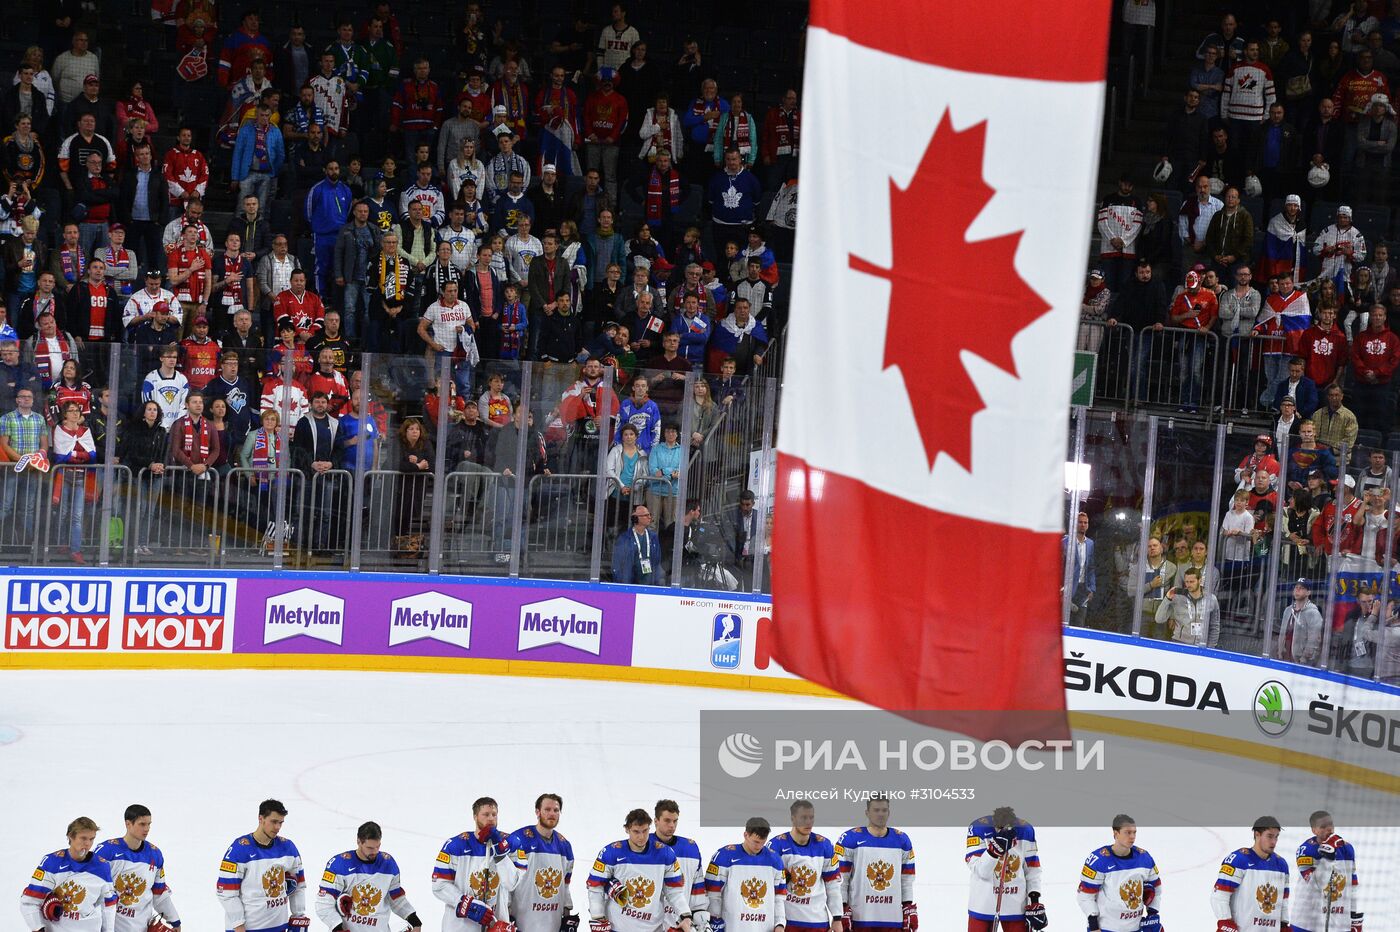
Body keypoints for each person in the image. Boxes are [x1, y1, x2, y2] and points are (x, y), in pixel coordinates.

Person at [586, 808, 692, 932]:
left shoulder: (665, 853)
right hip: (618, 928)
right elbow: (595, 886)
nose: (641, 837)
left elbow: (674, 891)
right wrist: (598, 917)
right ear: (627, 829)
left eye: (645, 831)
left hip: (653, 929)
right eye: (636, 831)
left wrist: (685, 915)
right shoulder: (611, 852)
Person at [216, 800, 309, 932]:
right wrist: (238, 925)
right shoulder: (239, 849)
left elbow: (299, 886)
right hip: (247, 929)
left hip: (279, 927)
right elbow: (226, 892)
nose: (277, 827)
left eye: (281, 823)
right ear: (261, 819)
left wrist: (298, 917)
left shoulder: (288, 848)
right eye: (274, 821)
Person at [315, 821, 422, 932]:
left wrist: (413, 919)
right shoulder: (339, 864)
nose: (375, 851)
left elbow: (395, 898)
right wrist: (338, 928)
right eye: (370, 848)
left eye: (377, 847)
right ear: (359, 842)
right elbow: (324, 903)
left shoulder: (388, 864)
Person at [91, 804, 181, 932]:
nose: (147, 829)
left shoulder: (154, 855)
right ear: (128, 824)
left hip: (141, 927)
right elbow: (91, 889)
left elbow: (159, 892)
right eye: (142, 824)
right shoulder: (107, 851)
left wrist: (174, 920)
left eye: (149, 824)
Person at [20, 816, 116, 932]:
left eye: (91, 839)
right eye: (83, 838)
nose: (88, 844)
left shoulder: (102, 867)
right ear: (71, 836)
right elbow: (30, 902)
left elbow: (108, 906)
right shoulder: (51, 863)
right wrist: (38, 928)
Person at [431, 796, 511, 932]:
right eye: (485, 814)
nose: (491, 818)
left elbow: (513, 884)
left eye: (494, 814)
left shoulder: (507, 845)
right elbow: (439, 885)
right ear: (475, 816)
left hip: (495, 926)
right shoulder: (456, 845)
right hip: (460, 927)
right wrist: (465, 904)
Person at [838, 798, 917, 932]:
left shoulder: (902, 840)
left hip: (893, 920)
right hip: (860, 919)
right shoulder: (849, 839)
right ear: (867, 812)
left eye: (884, 810)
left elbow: (907, 880)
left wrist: (908, 906)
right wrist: (842, 908)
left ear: (889, 812)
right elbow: (841, 879)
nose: (880, 814)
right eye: (876, 810)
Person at [1075, 814, 1161, 932]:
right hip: (1106, 929)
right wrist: (1094, 926)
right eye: (1127, 832)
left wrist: (1152, 915)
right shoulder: (1099, 860)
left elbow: (1156, 888)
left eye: (1134, 832)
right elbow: (1085, 896)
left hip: (1136, 928)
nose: (1132, 837)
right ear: (1116, 833)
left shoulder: (1144, 858)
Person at [505, 794, 576, 932]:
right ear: (537, 812)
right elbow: (506, 881)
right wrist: (506, 912)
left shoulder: (564, 845)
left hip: (552, 922)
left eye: (556, 810)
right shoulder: (517, 840)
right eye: (547, 809)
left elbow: (565, 885)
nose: (552, 814)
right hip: (523, 922)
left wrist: (567, 911)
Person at [768, 801, 841, 932]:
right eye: (803, 818)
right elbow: (768, 886)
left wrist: (837, 919)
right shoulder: (776, 845)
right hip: (787, 922)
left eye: (811, 817)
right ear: (793, 818)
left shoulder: (824, 845)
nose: (808, 822)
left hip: (817, 923)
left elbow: (833, 884)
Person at [704, 818, 786, 932]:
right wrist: (714, 920)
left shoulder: (775, 860)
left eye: (763, 842)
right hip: (732, 927)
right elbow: (713, 895)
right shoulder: (724, 857)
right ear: (745, 835)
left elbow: (779, 898)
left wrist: (780, 924)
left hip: (764, 928)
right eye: (756, 842)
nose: (759, 846)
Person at [1211, 816, 1291, 931]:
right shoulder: (1239, 860)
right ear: (1257, 834)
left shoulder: (1281, 865)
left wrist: (1283, 925)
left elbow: (1283, 900)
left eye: (1276, 837)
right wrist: (1225, 921)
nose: (1274, 841)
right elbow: (1219, 895)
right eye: (1269, 836)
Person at [1291, 811, 1361, 932]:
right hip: (1306, 921)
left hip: (1337, 922)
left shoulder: (1346, 848)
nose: (1329, 829)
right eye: (1323, 827)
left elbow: (1352, 884)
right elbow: (1315, 883)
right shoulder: (1305, 850)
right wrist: (1327, 857)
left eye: (1330, 825)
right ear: (1314, 830)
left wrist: (1354, 916)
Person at [50, 400, 93, 562]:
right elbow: (60, 456)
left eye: (77, 411)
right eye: (72, 411)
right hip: (64, 476)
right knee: (63, 512)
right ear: (65, 414)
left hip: (81, 477)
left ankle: (75, 550)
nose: (75, 413)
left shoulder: (85, 431)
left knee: (77, 516)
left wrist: (73, 455)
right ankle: (60, 544)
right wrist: (79, 455)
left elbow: (92, 454)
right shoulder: (59, 430)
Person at [306, 160, 352, 294]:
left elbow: (348, 211)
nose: (334, 171)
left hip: (340, 235)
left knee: (339, 268)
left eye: (336, 168)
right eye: (331, 168)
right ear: (326, 170)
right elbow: (309, 212)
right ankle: (321, 298)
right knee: (321, 267)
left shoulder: (345, 190)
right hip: (322, 235)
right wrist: (318, 226)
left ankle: (337, 301)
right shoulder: (317, 189)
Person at [393, 417, 433, 556]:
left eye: (417, 429)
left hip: (417, 487)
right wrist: (417, 466)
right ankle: (397, 547)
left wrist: (416, 465)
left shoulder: (425, 444)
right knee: (398, 515)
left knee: (410, 515)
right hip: (398, 487)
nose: (415, 432)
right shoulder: (398, 443)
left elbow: (431, 464)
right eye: (411, 429)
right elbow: (398, 464)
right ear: (405, 431)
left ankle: (406, 547)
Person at [1155, 565, 1220, 647]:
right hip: (1179, 642)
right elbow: (1159, 619)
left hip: (1201, 645)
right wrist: (1167, 598)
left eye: (1192, 582)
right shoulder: (1178, 598)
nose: (1188, 585)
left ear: (1200, 580)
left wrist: (1211, 646)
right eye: (1186, 582)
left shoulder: (1211, 599)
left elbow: (1214, 626)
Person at [1280, 579, 1324, 666]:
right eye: (1296, 587)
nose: (1297, 590)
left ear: (1308, 592)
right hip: (1285, 659)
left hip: (1301, 662)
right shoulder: (1288, 610)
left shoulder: (1313, 613)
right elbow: (1282, 633)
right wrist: (1279, 651)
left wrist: (1304, 659)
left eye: (1301, 588)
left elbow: (1314, 640)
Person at [1063, 511, 1096, 618]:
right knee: (1065, 622)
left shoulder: (1090, 544)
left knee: (1080, 622)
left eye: (1085, 523)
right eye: (1080, 522)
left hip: (1083, 590)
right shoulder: (1065, 542)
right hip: (1068, 589)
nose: (1083, 525)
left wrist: (1092, 588)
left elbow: (1091, 567)